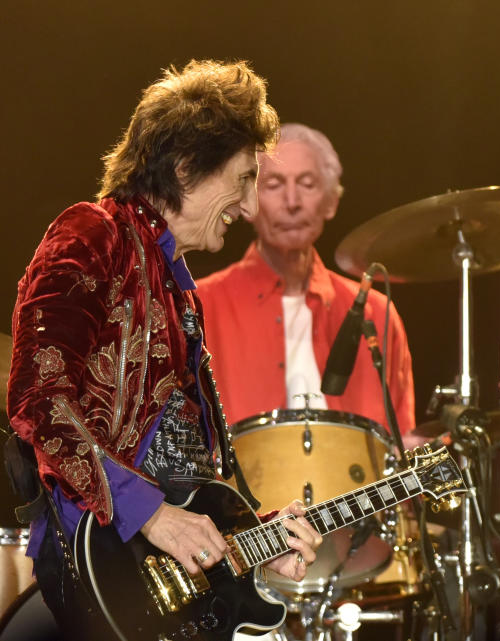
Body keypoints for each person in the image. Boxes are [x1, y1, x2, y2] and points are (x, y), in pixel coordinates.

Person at [5, 60, 323, 640]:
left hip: (164, 578)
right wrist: (149, 514)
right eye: (243, 179)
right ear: (184, 168)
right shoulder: (91, 234)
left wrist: (259, 539)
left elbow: (190, 479)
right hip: (102, 564)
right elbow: (38, 397)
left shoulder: (178, 292)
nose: (251, 208)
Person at [196, 122, 417, 442]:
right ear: (247, 202)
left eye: (307, 184)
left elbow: (400, 450)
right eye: (273, 184)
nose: (292, 201)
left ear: (331, 202)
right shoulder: (201, 305)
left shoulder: (375, 313)